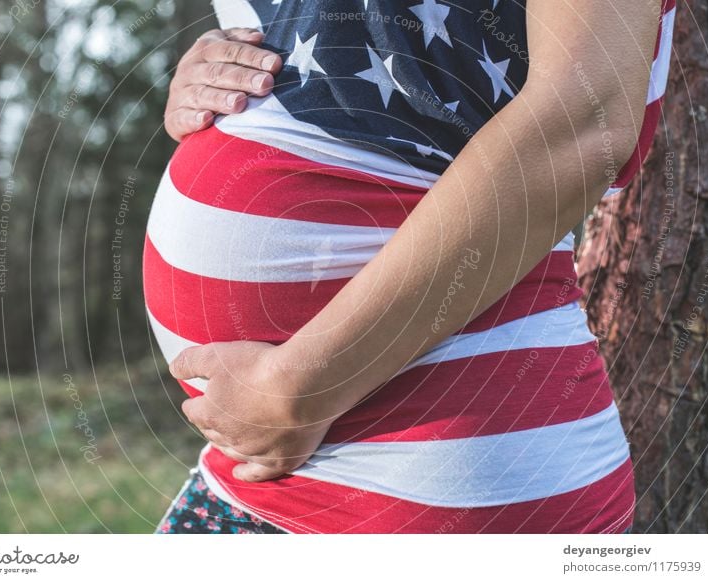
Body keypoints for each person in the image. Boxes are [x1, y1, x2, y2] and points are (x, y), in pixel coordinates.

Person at [147, 0, 675, 534]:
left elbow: (586, 120)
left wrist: (305, 382)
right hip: (259, 468)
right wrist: (218, 60)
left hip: (437, 468)